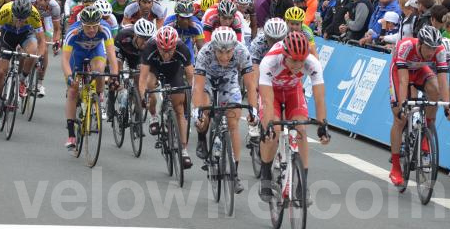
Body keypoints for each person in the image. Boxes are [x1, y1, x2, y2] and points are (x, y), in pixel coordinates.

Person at [258, 31, 330, 202]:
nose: (298, 65)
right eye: (294, 60)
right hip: (272, 93)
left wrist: (322, 125)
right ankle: (266, 176)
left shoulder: (312, 63)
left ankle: (302, 184)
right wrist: (267, 126)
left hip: (293, 90)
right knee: (273, 131)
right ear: (285, 55)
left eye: (301, 60)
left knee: (301, 130)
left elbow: (319, 97)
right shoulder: (270, 61)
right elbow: (267, 101)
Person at [193, 26, 258, 193]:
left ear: (234, 48)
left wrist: (253, 110)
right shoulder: (204, 53)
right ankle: (202, 137)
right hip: (207, 80)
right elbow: (198, 87)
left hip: (228, 81)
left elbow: (251, 85)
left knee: (233, 122)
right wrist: (197, 111)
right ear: (213, 48)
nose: (224, 56)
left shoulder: (242, 52)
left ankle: (234, 173)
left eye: (228, 52)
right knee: (205, 110)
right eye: (220, 52)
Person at [388, 26, 450, 186]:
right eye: (428, 48)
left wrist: (447, 105)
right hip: (399, 72)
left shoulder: (440, 51)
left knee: (435, 89)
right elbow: (404, 81)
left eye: (433, 48)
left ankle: (426, 131)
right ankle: (395, 167)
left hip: (419, 71)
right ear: (420, 44)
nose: (431, 52)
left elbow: (443, 79)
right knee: (400, 119)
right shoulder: (406, 46)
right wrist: (403, 105)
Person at [61, 6, 118, 148]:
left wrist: (114, 76)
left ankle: (98, 98)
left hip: (95, 52)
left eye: (94, 26)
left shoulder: (105, 29)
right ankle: (71, 135)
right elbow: (64, 60)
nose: (92, 30)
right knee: (73, 91)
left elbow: (111, 55)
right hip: (77, 55)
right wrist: (69, 78)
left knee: (99, 70)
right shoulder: (73, 31)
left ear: (99, 24)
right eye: (88, 27)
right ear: (82, 25)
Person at [138, 25, 195, 168]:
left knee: (179, 108)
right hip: (155, 69)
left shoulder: (182, 49)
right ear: (158, 45)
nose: (166, 54)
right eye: (163, 50)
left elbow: (191, 76)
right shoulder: (150, 47)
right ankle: (154, 116)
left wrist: (193, 96)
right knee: (150, 85)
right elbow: (143, 78)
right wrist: (143, 97)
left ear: (175, 45)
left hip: (174, 71)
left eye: (170, 50)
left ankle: (184, 150)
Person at [0, 0, 46, 124]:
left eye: (23, 19)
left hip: (26, 35)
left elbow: (42, 41)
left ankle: (23, 80)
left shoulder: (34, 14)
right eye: (17, 18)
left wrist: (40, 58)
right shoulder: (5, 11)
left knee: (32, 52)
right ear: (12, 13)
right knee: (1, 71)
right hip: (8, 35)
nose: (19, 21)